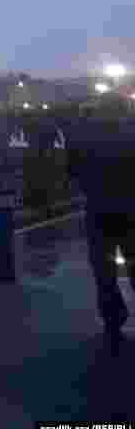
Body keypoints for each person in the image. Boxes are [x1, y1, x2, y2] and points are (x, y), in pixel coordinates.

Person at [64, 98, 135, 350]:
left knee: (104, 271)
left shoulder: (83, 134)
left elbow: (71, 170)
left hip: (99, 210)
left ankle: (113, 318)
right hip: (131, 210)